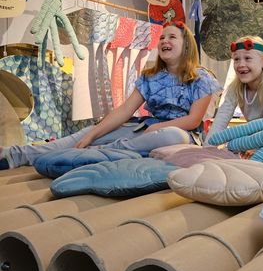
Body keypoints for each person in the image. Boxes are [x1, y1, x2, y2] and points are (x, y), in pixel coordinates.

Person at [0, 21, 221, 169]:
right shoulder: (150, 76)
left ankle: (99, 152)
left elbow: (193, 120)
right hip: (143, 129)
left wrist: (159, 128)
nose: (164, 41)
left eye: (172, 37)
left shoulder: (201, 78)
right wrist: (93, 133)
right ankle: (16, 154)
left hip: (181, 134)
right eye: (162, 38)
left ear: (186, 45)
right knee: (86, 133)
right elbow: (125, 110)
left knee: (171, 135)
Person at [204, 36, 263, 151]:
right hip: (257, 139)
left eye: (247, 58)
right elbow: (221, 119)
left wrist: (252, 147)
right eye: (236, 59)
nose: (241, 64)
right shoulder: (235, 87)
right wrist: (207, 148)